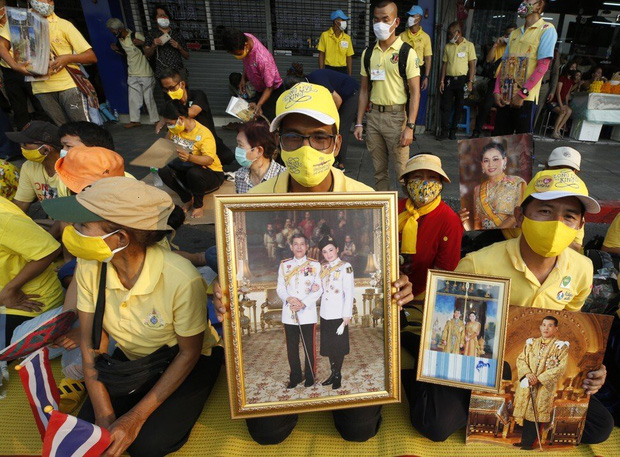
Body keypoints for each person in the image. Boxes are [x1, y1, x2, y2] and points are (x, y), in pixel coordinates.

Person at [214, 81, 414, 444]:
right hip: (296, 311)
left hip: (330, 311)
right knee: (267, 433)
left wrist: (400, 285)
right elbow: (243, 270)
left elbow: (386, 269)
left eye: (319, 137)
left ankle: (334, 380)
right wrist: (224, 284)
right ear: (279, 144)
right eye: (293, 137)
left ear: (336, 143)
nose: (306, 147)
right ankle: (300, 380)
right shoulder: (252, 200)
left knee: (359, 430)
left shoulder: (366, 199)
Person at [403, 168, 613, 444]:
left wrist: (591, 370)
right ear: (520, 215)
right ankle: (416, 375)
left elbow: (570, 331)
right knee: (435, 425)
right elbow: (446, 325)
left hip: (531, 372)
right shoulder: (478, 264)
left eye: (569, 216)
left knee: (598, 427)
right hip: (476, 365)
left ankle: (506, 406)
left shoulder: (583, 269)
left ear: (580, 225)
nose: (557, 223)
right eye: (545, 211)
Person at [42, 177, 222, 457]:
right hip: (132, 358)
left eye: (82, 226)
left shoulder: (180, 278)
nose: (72, 231)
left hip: (185, 360)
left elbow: (189, 354)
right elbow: (92, 345)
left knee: (148, 446)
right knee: (95, 433)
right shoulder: (92, 266)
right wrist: (103, 414)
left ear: (121, 238)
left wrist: (134, 418)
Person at [355, 1, 420, 191]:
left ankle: (410, 215)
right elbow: (364, 90)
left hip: (396, 118)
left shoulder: (407, 53)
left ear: (396, 22)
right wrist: (359, 122)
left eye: (385, 19)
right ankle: (384, 214)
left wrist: (410, 127)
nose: (380, 24)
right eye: (376, 19)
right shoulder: (368, 54)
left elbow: (415, 91)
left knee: (403, 173)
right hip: (374, 117)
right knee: (378, 172)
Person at [0, 0, 97, 126]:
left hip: (68, 86)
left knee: (83, 128)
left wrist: (66, 58)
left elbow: (91, 57)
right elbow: (2, 44)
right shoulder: (19, 21)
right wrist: (14, 65)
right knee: (62, 129)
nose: (48, 2)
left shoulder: (63, 24)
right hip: (41, 88)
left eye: (50, 0)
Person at [398, 154, 463, 300]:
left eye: (432, 177)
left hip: (422, 295)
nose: (425, 183)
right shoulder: (394, 207)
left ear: (440, 184)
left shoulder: (450, 220)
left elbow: (444, 274)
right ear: (407, 182)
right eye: (418, 177)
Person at [493, 0, 557, 135]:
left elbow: (542, 67)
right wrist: (497, 90)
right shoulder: (515, 33)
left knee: (523, 145)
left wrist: (522, 94)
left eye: (529, 1)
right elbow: (504, 65)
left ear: (539, 5)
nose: (524, 3)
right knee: (500, 142)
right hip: (506, 94)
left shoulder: (546, 29)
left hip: (526, 98)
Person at [157, 100, 224, 219]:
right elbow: (165, 146)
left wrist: (190, 157)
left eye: (169, 123)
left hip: (210, 173)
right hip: (186, 169)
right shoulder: (175, 130)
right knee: (162, 169)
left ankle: (198, 205)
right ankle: (187, 198)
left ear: (181, 119)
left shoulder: (203, 133)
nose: (169, 126)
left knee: (195, 173)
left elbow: (208, 160)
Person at [512, 316, 569, 449]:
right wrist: (528, 374)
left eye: (550, 325)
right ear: (540, 327)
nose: (546, 328)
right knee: (527, 414)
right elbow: (521, 359)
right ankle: (524, 441)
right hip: (528, 383)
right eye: (543, 325)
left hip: (544, 387)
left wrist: (539, 378)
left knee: (536, 415)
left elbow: (560, 368)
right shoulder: (531, 343)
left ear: (556, 328)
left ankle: (530, 443)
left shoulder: (560, 347)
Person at [158, 68, 233, 166]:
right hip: (185, 142)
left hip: (206, 140)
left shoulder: (197, 95)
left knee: (227, 157)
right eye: (166, 89)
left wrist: (166, 117)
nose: (169, 92)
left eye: (172, 88)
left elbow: (192, 112)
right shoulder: (170, 100)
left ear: (182, 84)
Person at [276, 232, 321, 388]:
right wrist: (289, 299)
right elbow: (280, 287)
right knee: (292, 348)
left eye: (302, 244)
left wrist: (302, 303)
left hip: (307, 312)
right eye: (296, 244)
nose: (299, 247)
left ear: (307, 246)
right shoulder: (284, 265)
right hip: (289, 312)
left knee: (309, 347)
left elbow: (318, 289)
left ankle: (310, 376)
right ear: (291, 246)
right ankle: (295, 376)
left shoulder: (315, 265)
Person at [0, 0, 50, 130]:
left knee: (40, 102)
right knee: (18, 107)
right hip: (9, 70)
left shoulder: (25, 18)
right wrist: (13, 65)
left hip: (31, 67)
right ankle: (26, 141)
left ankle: (44, 135)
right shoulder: (13, 21)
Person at [107, 18, 159, 129]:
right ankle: (135, 120)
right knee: (133, 98)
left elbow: (150, 48)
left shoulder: (135, 35)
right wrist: (116, 49)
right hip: (132, 72)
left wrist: (142, 43)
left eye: (114, 31)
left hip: (145, 72)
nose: (113, 33)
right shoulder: (121, 40)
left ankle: (156, 120)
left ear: (120, 29)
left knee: (148, 98)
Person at [6, 121, 68, 213]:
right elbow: (21, 202)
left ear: (46, 150)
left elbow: (70, 215)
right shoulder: (28, 166)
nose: (21, 147)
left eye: (25, 144)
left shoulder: (71, 170)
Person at [222, 28, 283, 120]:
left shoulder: (263, 59)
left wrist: (259, 105)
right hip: (259, 89)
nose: (237, 56)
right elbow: (246, 61)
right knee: (252, 117)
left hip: (272, 92)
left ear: (246, 45)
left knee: (266, 123)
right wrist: (243, 78)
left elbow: (270, 87)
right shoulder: (246, 37)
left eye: (238, 54)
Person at [318, 236, 354, 390]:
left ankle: (337, 375)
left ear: (337, 249)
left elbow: (349, 293)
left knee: (338, 346)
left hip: (339, 314)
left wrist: (346, 316)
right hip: (326, 313)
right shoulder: (324, 268)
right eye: (325, 252)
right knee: (329, 346)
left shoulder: (346, 267)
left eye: (331, 250)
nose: (328, 254)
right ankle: (333, 373)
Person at [472, 24, 517, 138]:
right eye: (507, 34)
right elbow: (488, 59)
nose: (508, 37)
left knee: (505, 109)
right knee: (486, 106)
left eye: (511, 34)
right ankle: (477, 131)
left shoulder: (517, 47)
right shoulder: (500, 46)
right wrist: (495, 45)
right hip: (495, 81)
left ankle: (499, 134)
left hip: (509, 83)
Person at [472, 142, 526, 230]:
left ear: (505, 160)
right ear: (482, 164)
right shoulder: (477, 189)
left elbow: (516, 218)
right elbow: (477, 221)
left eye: (495, 159)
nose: (490, 164)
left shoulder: (517, 183)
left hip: (509, 236)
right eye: (486, 160)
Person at [437, 21, 476, 141]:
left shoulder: (469, 45)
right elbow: (444, 65)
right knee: (446, 106)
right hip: (449, 80)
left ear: (458, 33)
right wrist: (442, 81)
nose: (449, 37)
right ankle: (444, 132)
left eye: (450, 34)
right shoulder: (448, 47)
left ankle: (453, 132)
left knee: (459, 106)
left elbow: (472, 65)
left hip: (462, 80)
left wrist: (470, 81)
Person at [234, 120, 284, 193]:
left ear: (259, 151)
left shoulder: (282, 177)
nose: (237, 149)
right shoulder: (240, 176)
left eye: (241, 145)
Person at [143, 5, 189, 80]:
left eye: (165, 15)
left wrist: (179, 47)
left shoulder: (176, 34)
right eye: (160, 15)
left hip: (179, 72)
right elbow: (147, 54)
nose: (163, 17)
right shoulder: (151, 34)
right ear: (155, 19)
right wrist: (153, 45)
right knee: (168, 92)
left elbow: (187, 56)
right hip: (163, 74)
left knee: (183, 92)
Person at [399, 5, 432, 91]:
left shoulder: (425, 37)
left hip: (418, 71)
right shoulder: (402, 36)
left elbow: (428, 58)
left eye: (412, 16)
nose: (410, 18)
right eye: (409, 16)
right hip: (403, 70)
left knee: (415, 96)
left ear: (419, 18)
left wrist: (426, 77)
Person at [317, 10, 354, 75]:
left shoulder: (347, 38)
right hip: (329, 69)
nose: (345, 22)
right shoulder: (325, 35)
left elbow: (349, 57)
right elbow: (321, 54)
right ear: (336, 22)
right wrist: (321, 72)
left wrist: (350, 75)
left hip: (342, 70)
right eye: (343, 20)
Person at [546, 67, 575, 139]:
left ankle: (558, 129)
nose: (573, 69)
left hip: (562, 102)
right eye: (572, 67)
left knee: (569, 111)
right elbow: (558, 93)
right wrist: (561, 105)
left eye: (575, 68)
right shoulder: (562, 78)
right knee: (562, 112)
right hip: (554, 101)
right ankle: (554, 132)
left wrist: (566, 104)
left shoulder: (571, 81)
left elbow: (567, 94)